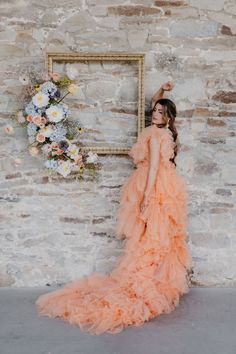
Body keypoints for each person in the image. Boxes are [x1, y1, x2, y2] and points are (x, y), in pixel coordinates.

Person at [35, 81, 193, 335]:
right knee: (156, 237)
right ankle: (154, 279)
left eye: (160, 112)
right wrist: (162, 90)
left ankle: (147, 282)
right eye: (155, 111)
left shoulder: (155, 136)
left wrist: (146, 197)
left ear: (168, 117)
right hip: (167, 185)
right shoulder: (165, 132)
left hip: (153, 186)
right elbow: (154, 100)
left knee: (149, 236)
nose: (154, 113)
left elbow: (152, 168)